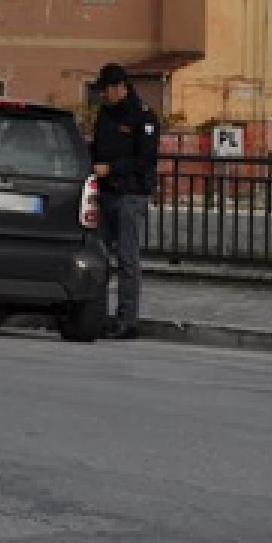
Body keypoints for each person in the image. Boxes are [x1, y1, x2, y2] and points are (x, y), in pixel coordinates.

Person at [90, 63, 160, 340]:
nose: (103, 95)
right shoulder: (105, 114)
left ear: (120, 87)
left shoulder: (142, 116)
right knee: (99, 256)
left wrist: (113, 168)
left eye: (106, 90)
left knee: (127, 259)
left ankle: (127, 320)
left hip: (130, 194)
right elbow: (97, 148)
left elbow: (146, 160)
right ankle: (96, 314)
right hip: (106, 193)